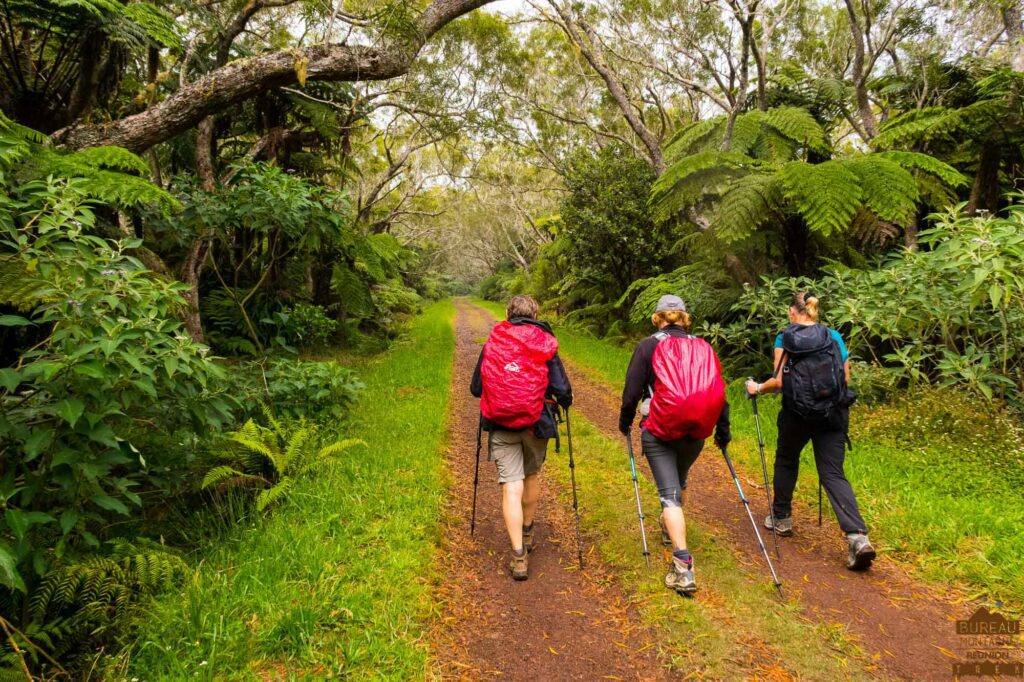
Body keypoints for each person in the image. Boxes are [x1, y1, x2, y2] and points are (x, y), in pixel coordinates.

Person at [745, 291, 875, 571]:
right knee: (832, 473)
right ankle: (857, 537)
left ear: (793, 311)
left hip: (797, 414)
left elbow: (778, 382)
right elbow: (846, 378)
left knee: (787, 459)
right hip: (833, 413)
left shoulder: (785, 338)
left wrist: (756, 388)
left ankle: (781, 518)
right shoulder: (833, 337)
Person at [619, 295, 731, 596]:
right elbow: (717, 390)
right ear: (684, 318)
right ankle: (669, 530)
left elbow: (632, 390)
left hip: (659, 429)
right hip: (696, 430)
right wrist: (724, 430)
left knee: (668, 494)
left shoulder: (648, 345)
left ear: (658, 318)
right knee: (679, 480)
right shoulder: (703, 347)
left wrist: (625, 420)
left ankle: (682, 564)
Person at [471, 294, 573, 581]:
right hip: (536, 422)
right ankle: (528, 531)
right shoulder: (544, 342)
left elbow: (476, 387)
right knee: (531, 475)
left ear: (507, 313)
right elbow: (561, 389)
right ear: (536, 313)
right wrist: (564, 401)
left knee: (510, 486)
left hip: (501, 423)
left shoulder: (495, 341)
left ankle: (518, 556)